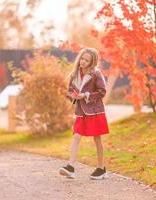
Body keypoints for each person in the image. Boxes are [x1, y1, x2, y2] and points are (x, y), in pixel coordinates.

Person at [59, 47, 109, 180]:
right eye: (82, 58)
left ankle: (101, 169)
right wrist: (73, 95)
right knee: (76, 136)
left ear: (92, 62)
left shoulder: (96, 74)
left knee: (97, 139)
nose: (83, 62)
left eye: (87, 60)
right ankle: (70, 167)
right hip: (81, 112)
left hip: (94, 111)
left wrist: (85, 95)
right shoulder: (74, 74)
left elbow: (102, 92)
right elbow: (70, 91)